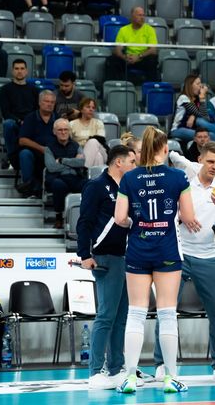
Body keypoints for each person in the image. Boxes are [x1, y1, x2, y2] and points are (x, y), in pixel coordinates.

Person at [114, 126, 197, 394]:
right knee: (167, 314)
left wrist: (135, 223)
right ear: (164, 148)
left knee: (136, 313)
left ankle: (129, 376)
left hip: (138, 249)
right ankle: (170, 377)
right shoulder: (177, 176)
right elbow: (188, 216)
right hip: (167, 250)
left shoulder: (129, 178)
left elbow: (119, 218)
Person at [152, 141, 215, 381]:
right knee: (167, 309)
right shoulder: (184, 178)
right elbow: (167, 208)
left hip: (208, 255)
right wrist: (181, 216)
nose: (214, 166)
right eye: (210, 161)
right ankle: (161, 364)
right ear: (200, 160)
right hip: (178, 253)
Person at [77, 145, 137, 390]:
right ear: (118, 162)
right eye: (132, 161)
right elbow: (84, 221)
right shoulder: (97, 186)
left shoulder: (128, 188)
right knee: (106, 315)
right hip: (105, 257)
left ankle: (116, 369)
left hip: (127, 258)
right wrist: (84, 254)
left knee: (121, 317)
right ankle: (95, 371)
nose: (135, 166)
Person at [44, 118, 87, 228]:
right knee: (58, 185)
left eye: (66, 129)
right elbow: (52, 167)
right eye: (60, 130)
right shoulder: (49, 148)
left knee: (89, 184)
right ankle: (59, 217)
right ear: (54, 132)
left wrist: (62, 160)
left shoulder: (76, 145)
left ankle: (86, 217)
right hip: (58, 177)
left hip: (75, 177)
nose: (63, 132)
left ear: (69, 131)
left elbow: (81, 162)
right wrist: (73, 162)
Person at [0, 58, 39, 169]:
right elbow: (5, 112)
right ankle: (12, 158)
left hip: (30, 123)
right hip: (14, 122)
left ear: (26, 71)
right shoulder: (5, 89)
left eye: (22, 68)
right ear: (12, 71)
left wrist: (28, 121)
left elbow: (37, 110)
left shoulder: (34, 89)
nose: (19, 71)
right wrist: (19, 121)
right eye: (16, 69)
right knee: (8, 124)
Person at [17, 89, 57, 198]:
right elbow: (22, 140)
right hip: (34, 152)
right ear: (39, 102)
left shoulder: (58, 119)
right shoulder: (30, 118)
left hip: (53, 153)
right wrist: (41, 148)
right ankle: (29, 187)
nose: (49, 104)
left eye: (52, 102)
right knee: (25, 154)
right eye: (46, 101)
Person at [170, 74, 215, 142]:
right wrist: (202, 98)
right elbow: (199, 114)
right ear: (190, 86)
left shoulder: (196, 99)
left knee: (211, 134)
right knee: (211, 136)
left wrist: (193, 116)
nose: (200, 86)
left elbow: (205, 117)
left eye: (200, 83)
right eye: (198, 84)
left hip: (191, 129)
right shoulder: (183, 98)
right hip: (178, 129)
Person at [105, 6, 159, 82]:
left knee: (152, 59)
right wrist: (124, 57)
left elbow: (153, 50)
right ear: (132, 17)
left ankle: (151, 86)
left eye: (143, 15)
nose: (142, 18)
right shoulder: (123, 30)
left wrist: (139, 56)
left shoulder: (150, 30)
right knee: (112, 60)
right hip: (127, 58)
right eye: (139, 15)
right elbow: (118, 50)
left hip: (142, 58)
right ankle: (113, 86)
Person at [70, 97, 108, 167]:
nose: (91, 109)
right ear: (81, 109)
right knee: (98, 157)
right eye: (88, 107)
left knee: (93, 141)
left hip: (100, 149)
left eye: (93, 108)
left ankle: (84, 169)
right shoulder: (72, 124)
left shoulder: (98, 123)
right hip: (80, 152)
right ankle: (94, 174)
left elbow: (100, 140)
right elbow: (69, 142)